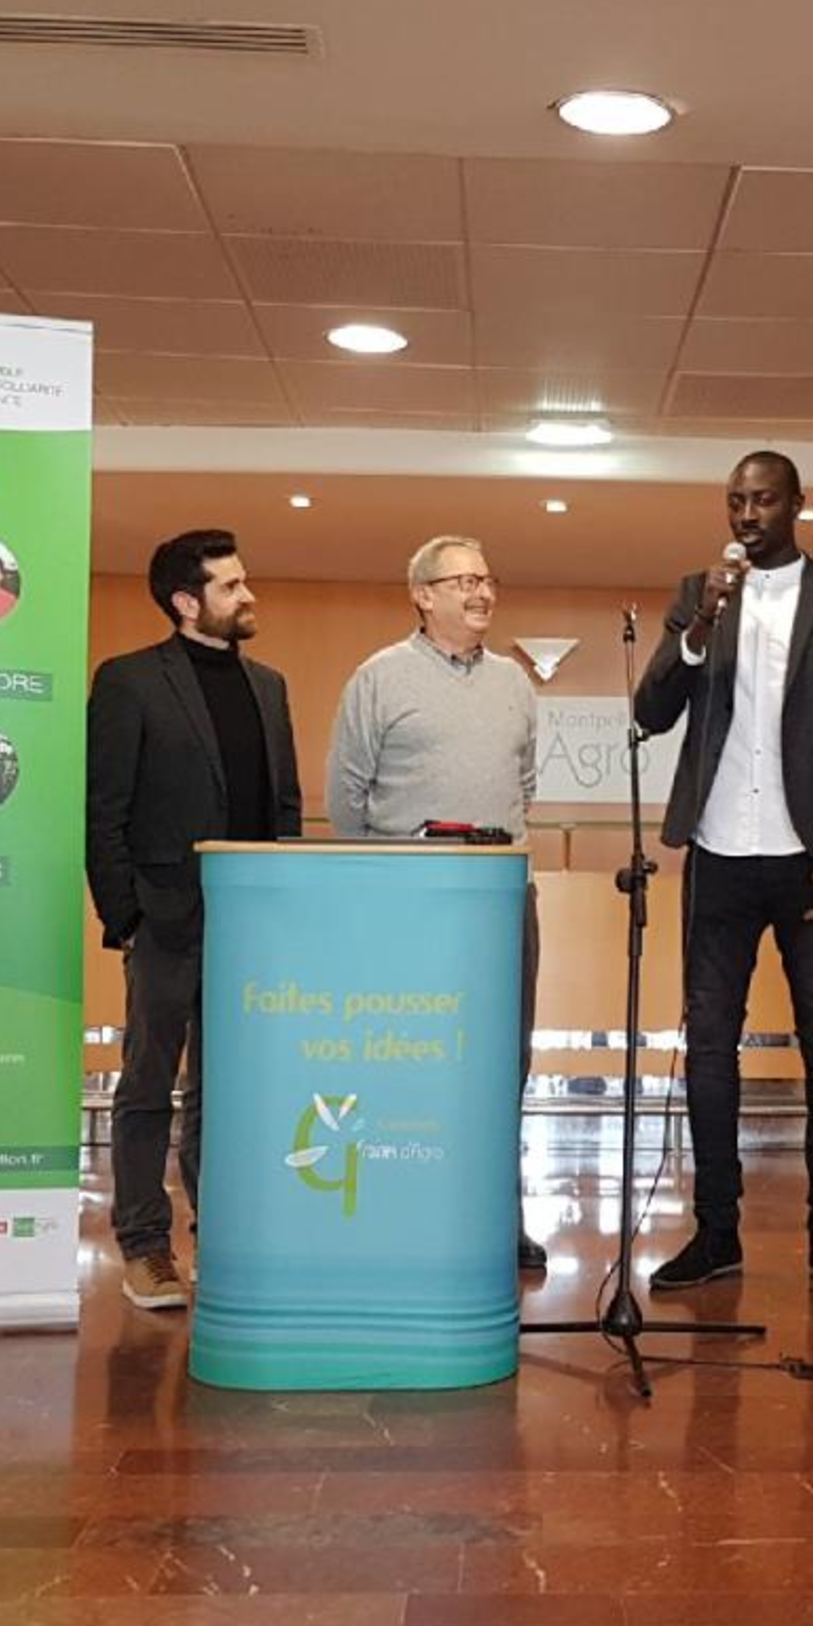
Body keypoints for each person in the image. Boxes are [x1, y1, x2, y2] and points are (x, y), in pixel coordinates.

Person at [634, 450, 813, 1300]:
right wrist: (698, 627)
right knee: (710, 1044)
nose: (747, 515)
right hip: (717, 851)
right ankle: (717, 1231)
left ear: (797, 504)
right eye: (736, 501)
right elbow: (650, 711)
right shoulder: (700, 591)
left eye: (764, 500)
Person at [85, 530, 302, 1311]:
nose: (248, 595)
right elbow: (103, 810)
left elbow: (283, 807)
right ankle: (145, 1246)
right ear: (186, 601)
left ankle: (224, 1235)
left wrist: (283, 905)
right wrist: (127, 915)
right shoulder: (129, 681)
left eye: (244, 581)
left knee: (228, 1086)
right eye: (231, 585)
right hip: (164, 919)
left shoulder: (269, 686)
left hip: (251, 924)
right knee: (148, 1084)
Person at [326, 535, 550, 1271]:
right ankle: (401, 1208)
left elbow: (523, 786)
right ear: (423, 595)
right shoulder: (379, 678)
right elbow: (346, 798)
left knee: (502, 1063)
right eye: (464, 581)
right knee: (408, 1058)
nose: (482, 593)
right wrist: (381, 885)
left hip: (503, 903)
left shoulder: (515, 682)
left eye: (487, 579)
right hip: (407, 906)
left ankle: (497, 1217)